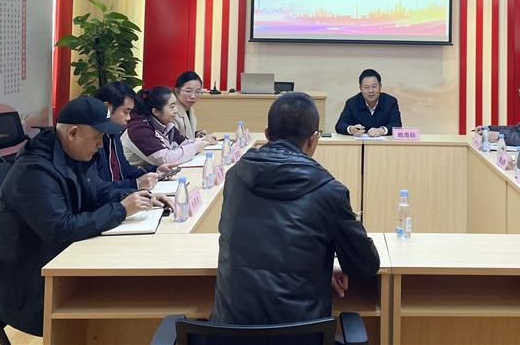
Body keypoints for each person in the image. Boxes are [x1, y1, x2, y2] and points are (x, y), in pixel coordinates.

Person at [0, 96, 170, 336]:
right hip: (27, 283)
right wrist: (121, 210)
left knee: (132, 285)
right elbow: (62, 230)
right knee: (122, 295)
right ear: (73, 133)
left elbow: (97, 191)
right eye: (97, 137)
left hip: (58, 261)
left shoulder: (73, 155)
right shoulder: (34, 171)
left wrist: (137, 196)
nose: (100, 144)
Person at [213, 91, 380, 324]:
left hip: (229, 331)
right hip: (303, 332)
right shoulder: (330, 191)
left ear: (267, 134)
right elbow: (365, 265)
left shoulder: (235, 177)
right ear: (313, 139)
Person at [94, 82, 177, 189]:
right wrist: (136, 184)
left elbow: (125, 170)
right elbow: (98, 189)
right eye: (125, 112)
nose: (129, 118)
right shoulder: (92, 141)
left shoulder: (113, 135)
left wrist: (155, 170)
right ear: (107, 108)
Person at [121, 86, 213, 166]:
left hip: (155, 175)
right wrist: (195, 147)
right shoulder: (139, 130)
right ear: (156, 111)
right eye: (172, 107)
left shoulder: (166, 124)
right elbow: (165, 160)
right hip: (136, 178)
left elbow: (183, 143)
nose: (176, 110)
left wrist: (202, 140)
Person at [335, 69, 402, 137]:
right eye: (366, 87)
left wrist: (382, 130)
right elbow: (340, 125)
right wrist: (351, 129)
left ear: (380, 86)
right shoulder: (352, 103)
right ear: (360, 88)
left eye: (374, 86)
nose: (371, 91)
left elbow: (397, 125)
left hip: (383, 143)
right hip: (360, 143)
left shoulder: (390, 102)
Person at [172, 71, 208, 140]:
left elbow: (186, 134)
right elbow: (175, 141)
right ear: (177, 91)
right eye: (188, 91)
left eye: (198, 92)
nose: (193, 96)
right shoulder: (171, 112)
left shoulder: (189, 109)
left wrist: (197, 134)